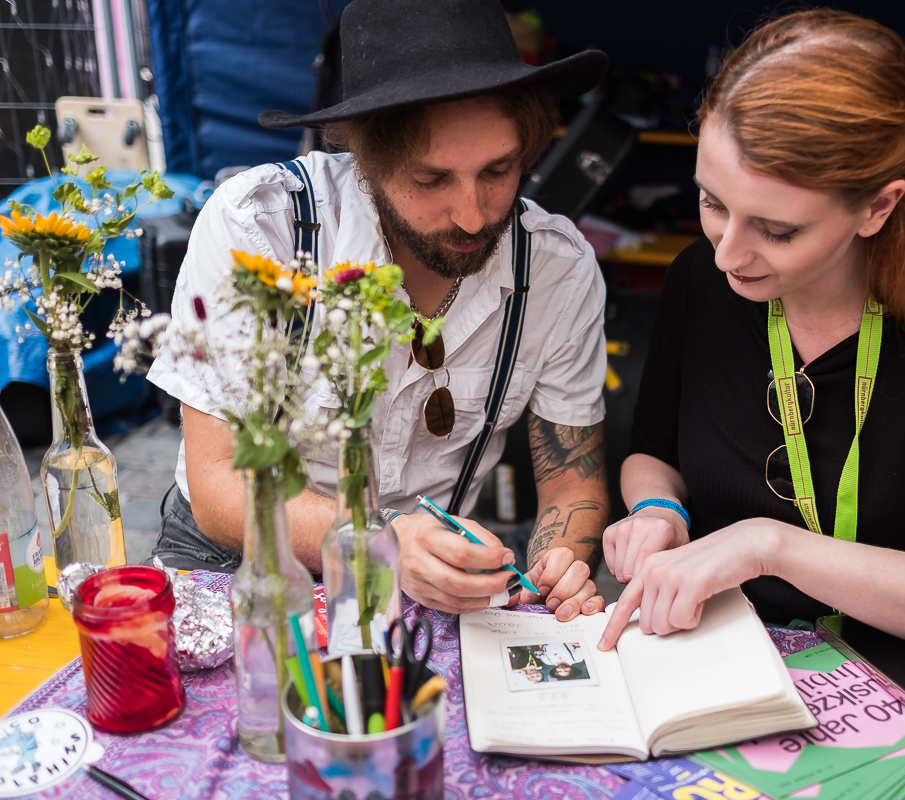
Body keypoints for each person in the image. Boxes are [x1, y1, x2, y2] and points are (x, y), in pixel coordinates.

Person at [598, 9, 905, 667]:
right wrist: (656, 510)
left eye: (778, 231)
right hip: (717, 664)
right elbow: (654, 451)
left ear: (877, 207)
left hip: (901, 686)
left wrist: (770, 545)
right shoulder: (699, 282)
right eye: (712, 203)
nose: (729, 252)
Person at [148, 0, 611, 622]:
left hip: (426, 585)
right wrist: (381, 540)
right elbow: (218, 489)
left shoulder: (557, 266)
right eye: (431, 180)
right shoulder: (263, 227)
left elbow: (570, 481)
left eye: (498, 172)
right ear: (366, 160)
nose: (472, 215)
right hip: (239, 560)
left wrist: (558, 567)